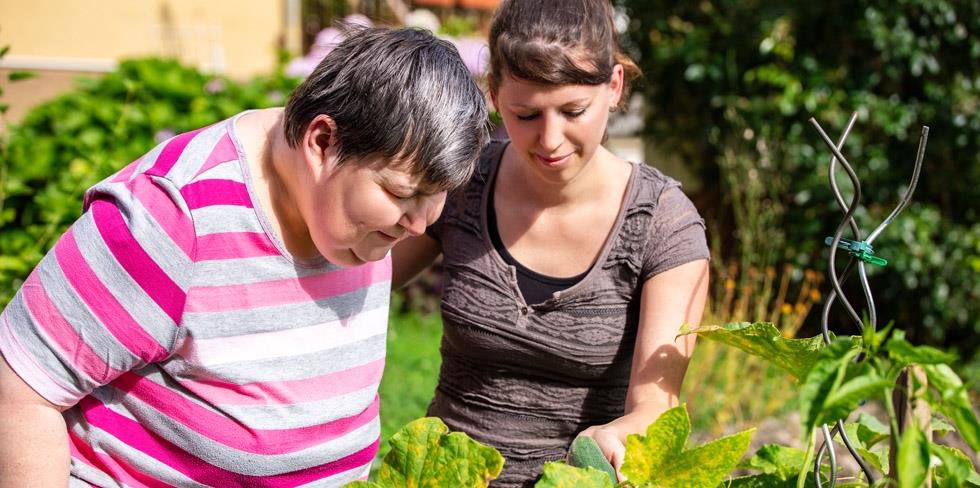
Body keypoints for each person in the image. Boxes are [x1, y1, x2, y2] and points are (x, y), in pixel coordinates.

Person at [0, 26, 488, 487]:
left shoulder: (353, 215)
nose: (420, 224)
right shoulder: (171, 218)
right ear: (322, 143)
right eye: (403, 193)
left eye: (437, 195)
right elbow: (20, 389)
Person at [392, 1, 710, 485]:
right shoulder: (463, 184)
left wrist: (623, 434)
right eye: (526, 115)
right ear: (495, 96)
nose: (550, 139)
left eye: (573, 111)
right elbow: (358, 279)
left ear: (615, 87)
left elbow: (655, 406)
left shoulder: (663, 224)